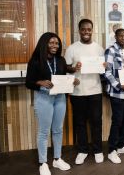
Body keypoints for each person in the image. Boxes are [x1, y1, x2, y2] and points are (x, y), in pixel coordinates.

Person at [26, 32, 79, 175]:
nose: (55, 46)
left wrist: (73, 81)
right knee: (44, 132)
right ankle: (43, 163)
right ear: (45, 43)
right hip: (44, 98)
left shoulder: (60, 60)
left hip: (60, 98)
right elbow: (28, 82)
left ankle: (57, 159)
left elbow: (63, 77)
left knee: (58, 130)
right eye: (51, 43)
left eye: (57, 43)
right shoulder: (36, 60)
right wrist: (40, 82)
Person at [65, 19, 105, 165]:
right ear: (79, 30)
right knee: (80, 123)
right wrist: (74, 68)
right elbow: (66, 68)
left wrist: (104, 66)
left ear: (92, 30)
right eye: (83, 29)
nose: (86, 32)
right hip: (77, 92)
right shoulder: (72, 48)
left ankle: (98, 150)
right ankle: (82, 150)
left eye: (89, 29)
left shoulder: (99, 48)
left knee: (96, 122)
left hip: (95, 91)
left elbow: (102, 70)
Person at [105, 28, 124, 164]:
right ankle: (112, 150)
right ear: (116, 37)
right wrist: (118, 85)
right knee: (117, 120)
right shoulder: (110, 51)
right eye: (121, 36)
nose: (123, 38)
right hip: (117, 92)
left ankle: (122, 145)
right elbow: (106, 72)